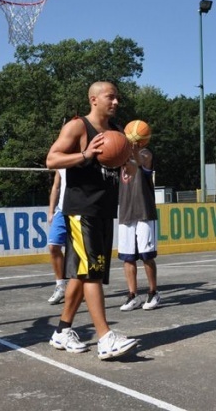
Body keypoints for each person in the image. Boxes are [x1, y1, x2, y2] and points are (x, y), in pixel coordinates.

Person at [46, 81, 138, 360]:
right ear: (94, 99)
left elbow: (129, 163)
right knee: (91, 273)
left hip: (103, 209)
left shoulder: (116, 132)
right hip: (80, 209)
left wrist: (127, 165)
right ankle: (105, 337)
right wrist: (85, 155)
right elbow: (52, 159)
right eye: (111, 97)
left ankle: (62, 331)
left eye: (117, 98)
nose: (116, 102)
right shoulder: (78, 126)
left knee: (83, 273)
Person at [118, 145, 161, 311]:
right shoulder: (120, 157)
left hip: (144, 211)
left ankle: (153, 292)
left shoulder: (145, 153)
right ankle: (132, 295)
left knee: (146, 256)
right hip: (126, 212)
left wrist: (133, 148)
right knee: (128, 257)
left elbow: (141, 160)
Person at [46, 168, 68, 304]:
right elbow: (56, 186)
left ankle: (79, 287)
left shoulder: (84, 158)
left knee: (77, 251)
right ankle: (61, 286)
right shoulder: (62, 163)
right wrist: (51, 210)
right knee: (53, 246)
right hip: (61, 210)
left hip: (80, 210)